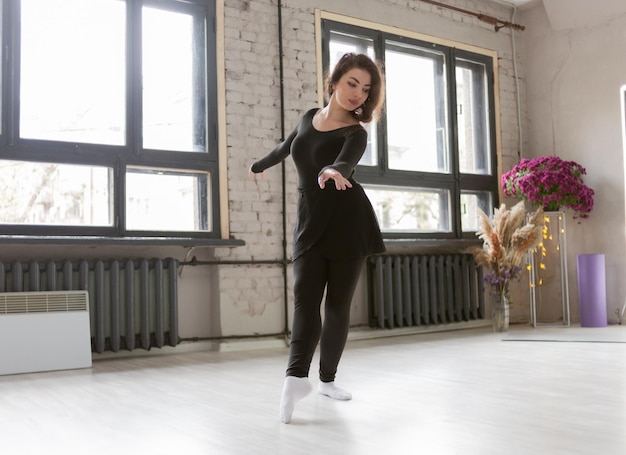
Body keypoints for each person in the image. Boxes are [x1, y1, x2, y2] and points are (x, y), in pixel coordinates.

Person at [249, 53, 386, 424]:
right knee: (304, 300)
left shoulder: (356, 133)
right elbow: (286, 146)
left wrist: (333, 168)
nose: (358, 93)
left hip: (347, 221)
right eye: (352, 83)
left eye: (366, 89)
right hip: (310, 218)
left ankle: (326, 379)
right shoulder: (308, 117)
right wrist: (259, 164)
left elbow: (347, 161)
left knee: (337, 307)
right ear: (335, 81)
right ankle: (295, 378)